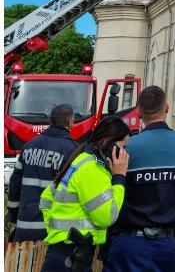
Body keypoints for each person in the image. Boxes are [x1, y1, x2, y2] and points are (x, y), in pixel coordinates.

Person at [103, 86, 175, 272]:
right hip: (166, 245)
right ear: (166, 108)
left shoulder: (127, 148)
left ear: (139, 111)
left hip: (129, 243)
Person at [39, 115, 130, 272]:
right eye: (123, 146)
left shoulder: (81, 160)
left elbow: (46, 198)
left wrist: (58, 232)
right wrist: (119, 178)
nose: (124, 153)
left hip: (63, 254)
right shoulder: (93, 170)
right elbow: (107, 217)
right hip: (73, 256)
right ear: (109, 144)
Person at [7, 104, 80, 243]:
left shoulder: (28, 146)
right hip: (53, 231)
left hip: (24, 227)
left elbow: (15, 183)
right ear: (70, 123)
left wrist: (13, 213)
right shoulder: (74, 150)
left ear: (50, 122)